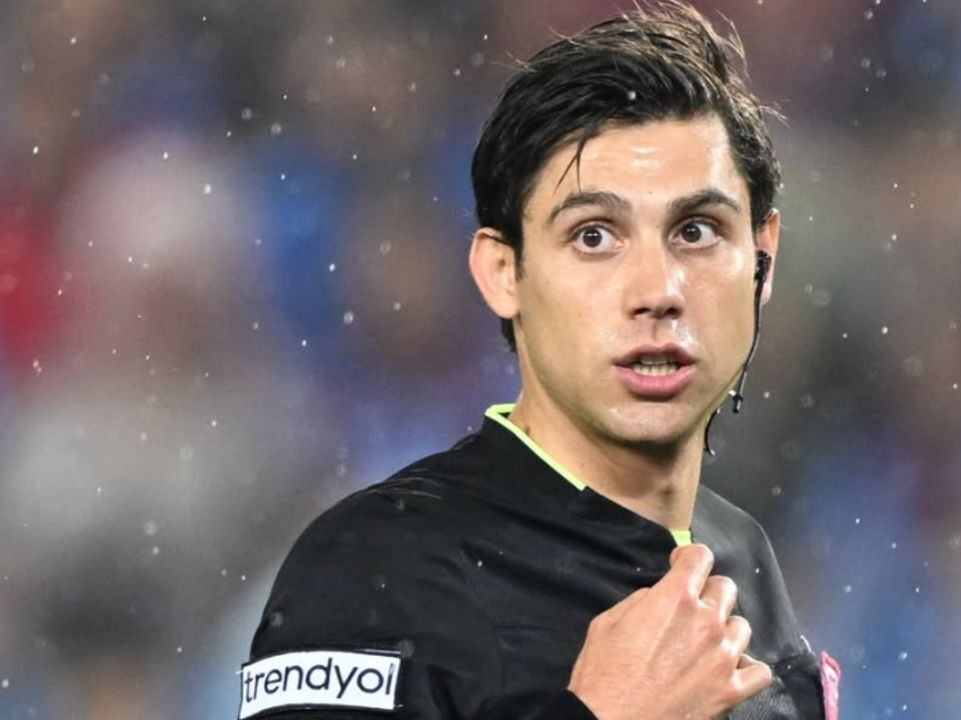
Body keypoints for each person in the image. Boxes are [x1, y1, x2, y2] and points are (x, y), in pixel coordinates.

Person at [241, 3, 840, 718]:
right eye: (594, 236)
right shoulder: (374, 566)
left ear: (763, 260)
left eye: (697, 230)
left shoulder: (746, 561)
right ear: (504, 273)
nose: (658, 290)